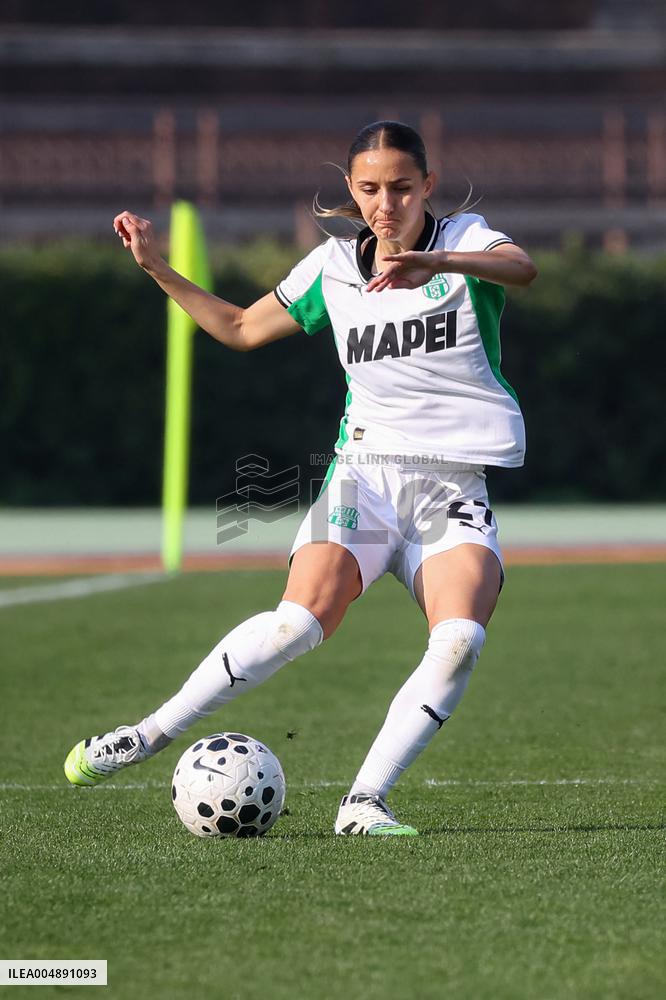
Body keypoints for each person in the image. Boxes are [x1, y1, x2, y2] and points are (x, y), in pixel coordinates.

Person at [64, 121, 537, 836]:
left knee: (461, 638)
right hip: (366, 481)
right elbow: (238, 328)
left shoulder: (467, 237)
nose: (387, 203)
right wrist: (157, 267)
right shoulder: (334, 268)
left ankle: (364, 801)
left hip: (452, 491)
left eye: (403, 188)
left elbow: (523, 268)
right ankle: (145, 735)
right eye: (370, 189)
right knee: (298, 621)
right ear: (351, 190)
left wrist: (436, 260)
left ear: (428, 187)